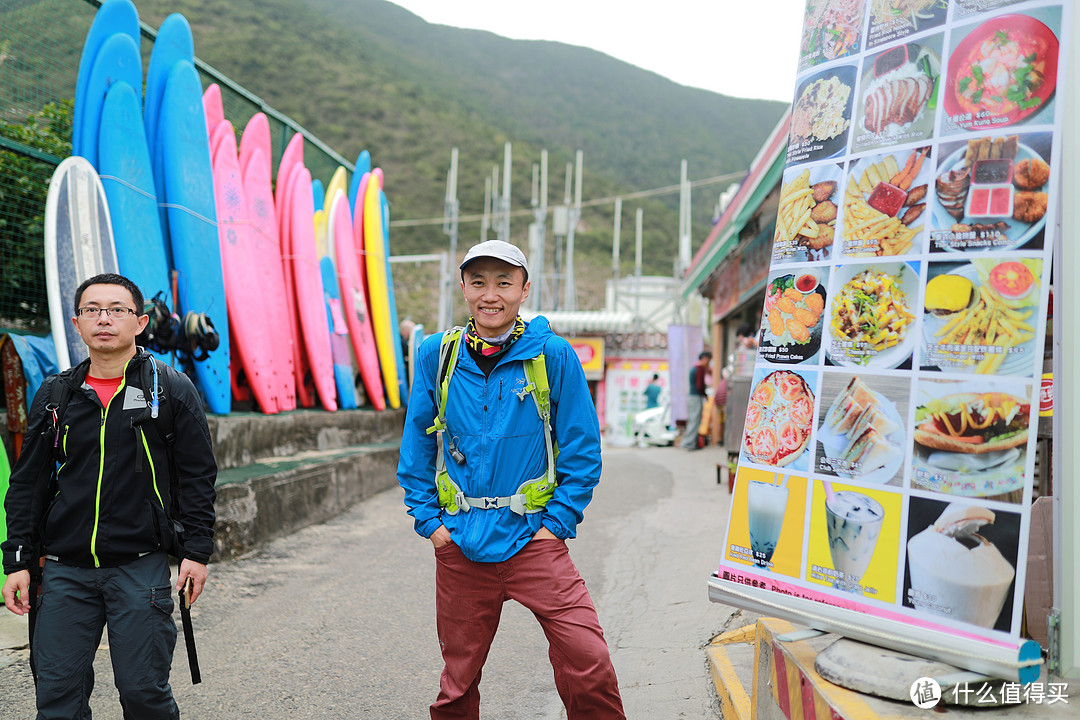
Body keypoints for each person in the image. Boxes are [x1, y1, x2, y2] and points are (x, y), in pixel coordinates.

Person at [398, 240, 625, 720]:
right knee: (457, 684)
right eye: (478, 282)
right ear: (463, 288)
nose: (490, 294)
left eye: (503, 282)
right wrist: (430, 524)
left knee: (589, 660)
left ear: (524, 289)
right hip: (459, 542)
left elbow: (583, 451)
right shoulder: (437, 355)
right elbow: (417, 445)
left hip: (534, 540)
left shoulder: (553, 355)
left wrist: (556, 524)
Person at [2, 273, 217, 719]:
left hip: (141, 568)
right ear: (77, 323)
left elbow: (198, 476)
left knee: (144, 694)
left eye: (117, 310)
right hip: (64, 572)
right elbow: (28, 482)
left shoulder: (170, 389)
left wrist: (197, 552)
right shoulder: (57, 393)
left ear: (139, 323)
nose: (104, 319)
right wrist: (19, 561)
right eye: (92, 310)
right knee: (57, 699)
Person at [680, 350, 712, 450]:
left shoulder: (694, 368)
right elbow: (700, 385)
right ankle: (688, 443)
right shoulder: (699, 369)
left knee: (693, 420)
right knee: (695, 420)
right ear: (705, 359)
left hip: (692, 397)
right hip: (696, 397)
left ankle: (690, 443)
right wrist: (705, 395)